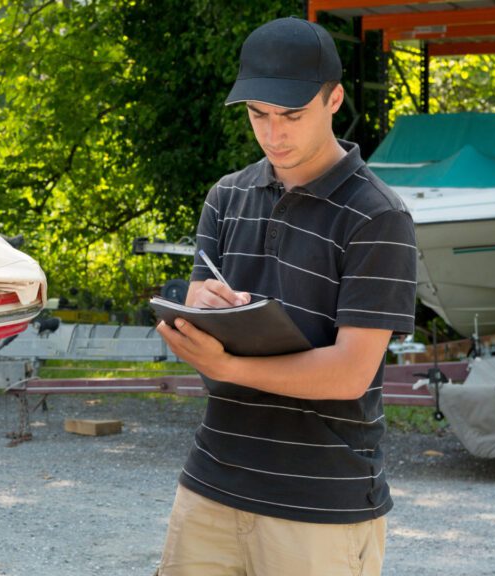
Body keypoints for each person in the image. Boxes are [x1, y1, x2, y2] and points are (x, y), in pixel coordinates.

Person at [155, 16, 417, 576]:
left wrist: (225, 363)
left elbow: (349, 375)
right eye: (259, 116)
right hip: (211, 484)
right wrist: (198, 311)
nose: (274, 134)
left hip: (322, 506)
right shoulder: (225, 196)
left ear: (335, 98)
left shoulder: (380, 216)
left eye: (292, 116)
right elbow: (202, 309)